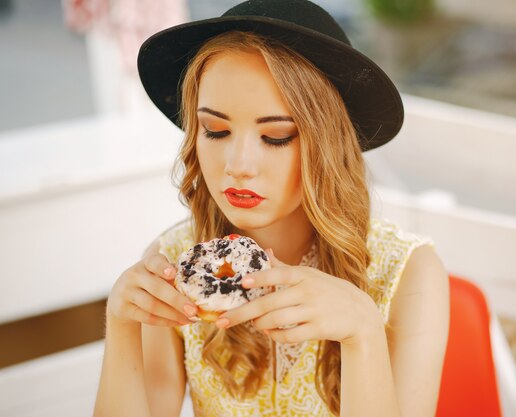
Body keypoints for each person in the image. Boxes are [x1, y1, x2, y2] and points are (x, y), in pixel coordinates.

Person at [93, 1, 449, 416]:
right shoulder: (173, 263)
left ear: (329, 145)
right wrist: (121, 326)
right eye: (216, 130)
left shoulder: (407, 273)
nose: (238, 165)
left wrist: (363, 334)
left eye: (276, 136)